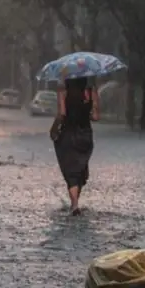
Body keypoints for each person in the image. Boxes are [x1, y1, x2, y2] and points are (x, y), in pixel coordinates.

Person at [54, 76, 100, 215]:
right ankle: (75, 203)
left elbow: (62, 114)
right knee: (80, 169)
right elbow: (96, 117)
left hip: (68, 134)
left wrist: (54, 127)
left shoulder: (63, 92)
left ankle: (74, 205)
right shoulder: (90, 92)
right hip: (85, 135)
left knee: (70, 171)